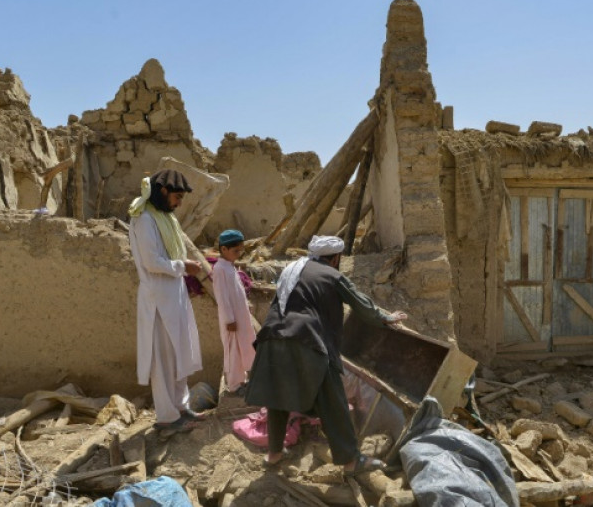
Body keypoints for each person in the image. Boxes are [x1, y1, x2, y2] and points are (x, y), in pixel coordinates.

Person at [244, 235, 407, 476]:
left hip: (272, 336)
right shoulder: (332, 275)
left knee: (278, 397)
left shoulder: (292, 269)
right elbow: (361, 305)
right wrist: (385, 317)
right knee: (333, 399)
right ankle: (351, 460)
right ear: (336, 258)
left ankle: (274, 454)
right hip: (306, 341)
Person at [127, 169, 205, 432]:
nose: (179, 203)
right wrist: (183, 266)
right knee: (162, 359)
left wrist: (183, 269)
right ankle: (167, 418)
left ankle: (182, 407)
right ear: (163, 191)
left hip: (175, 294)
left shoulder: (166, 219)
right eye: (177, 197)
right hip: (158, 298)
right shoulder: (145, 219)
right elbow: (152, 262)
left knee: (179, 352)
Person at [212, 229, 256, 395]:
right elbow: (222, 297)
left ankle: (241, 380)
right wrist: (229, 319)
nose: (238, 254)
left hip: (240, 317)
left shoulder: (230, 267)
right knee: (232, 351)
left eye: (240, 250)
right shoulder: (219, 269)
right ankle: (234, 385)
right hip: (231, 320)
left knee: (243, 347)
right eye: (235, 251)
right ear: (224, 249)